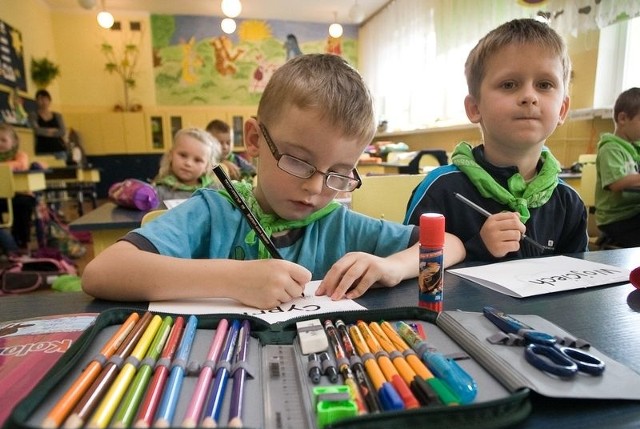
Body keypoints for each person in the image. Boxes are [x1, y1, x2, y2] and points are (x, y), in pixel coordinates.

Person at [82, 54, 465, 309]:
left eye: (339, 173)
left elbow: (449, 243)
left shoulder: (336, 222)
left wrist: (391, 267)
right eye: (298, 161)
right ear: (253, 142)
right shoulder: (215, 211)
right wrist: (232, 279)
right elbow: (102, 273)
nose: (317, 189)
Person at [404, 18, 587, 262]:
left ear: (562, 110)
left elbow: (578, 284)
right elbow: (410, 274)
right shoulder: (441, 190)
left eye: (544, 84)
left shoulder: (568, 201)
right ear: (474, 107)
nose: (529, 96)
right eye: (509, 84)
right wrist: (477, 249)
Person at [594, 87, 640, 247]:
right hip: (616, 218)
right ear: (622, 118)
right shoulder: (610, 148)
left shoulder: (634, 147)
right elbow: (616, 183)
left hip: (633, 213)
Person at [152, 127, 222, 203]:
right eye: (183, 155)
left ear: (207, 166)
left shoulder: (215, 192)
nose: (188, 163)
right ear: (171, 155)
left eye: (197, 160)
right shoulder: (157, 192)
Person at [0, 123, 38, 251]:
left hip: (21, 195)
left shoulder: (20, 155)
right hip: (2, 197)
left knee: (24, 204)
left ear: (14, 142)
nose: (0, 143)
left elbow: (21, 165)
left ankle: (22, 242)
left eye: (3, 140)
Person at [28, 89, 68, 160]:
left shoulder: (57, 115)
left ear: (49, 101)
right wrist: (53, 130)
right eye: (40, 99)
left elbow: (62, 131)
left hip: (59, 150)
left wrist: (45, 131)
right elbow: (36, 130)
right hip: (42, 151)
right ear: (36, 101)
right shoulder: (33, 115)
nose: (43, 101)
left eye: (45, 99)